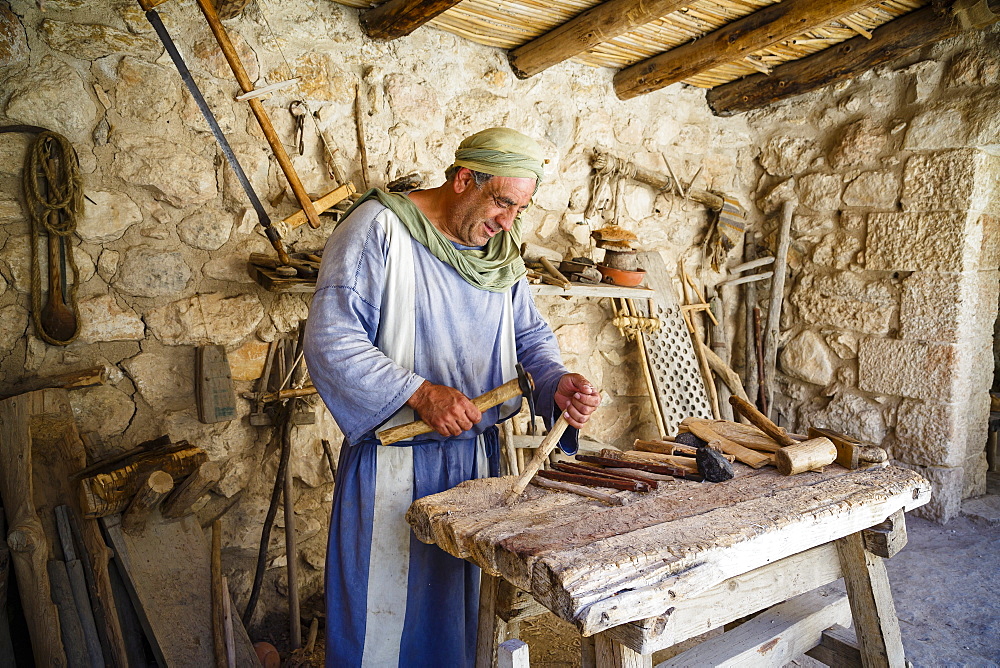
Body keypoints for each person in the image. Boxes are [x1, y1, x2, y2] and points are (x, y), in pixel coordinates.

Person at [303, 127, 600, 667]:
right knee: (385, 619)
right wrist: (419, 393)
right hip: (396, 464)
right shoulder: (379, 230)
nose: (508, 221)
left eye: (519, 209)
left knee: (459, 621)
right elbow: (332, 340)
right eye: (502, 202)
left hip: (474, 466)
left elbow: (527, 335)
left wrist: (555, 382)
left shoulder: (499, 252)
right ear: (464, 179)